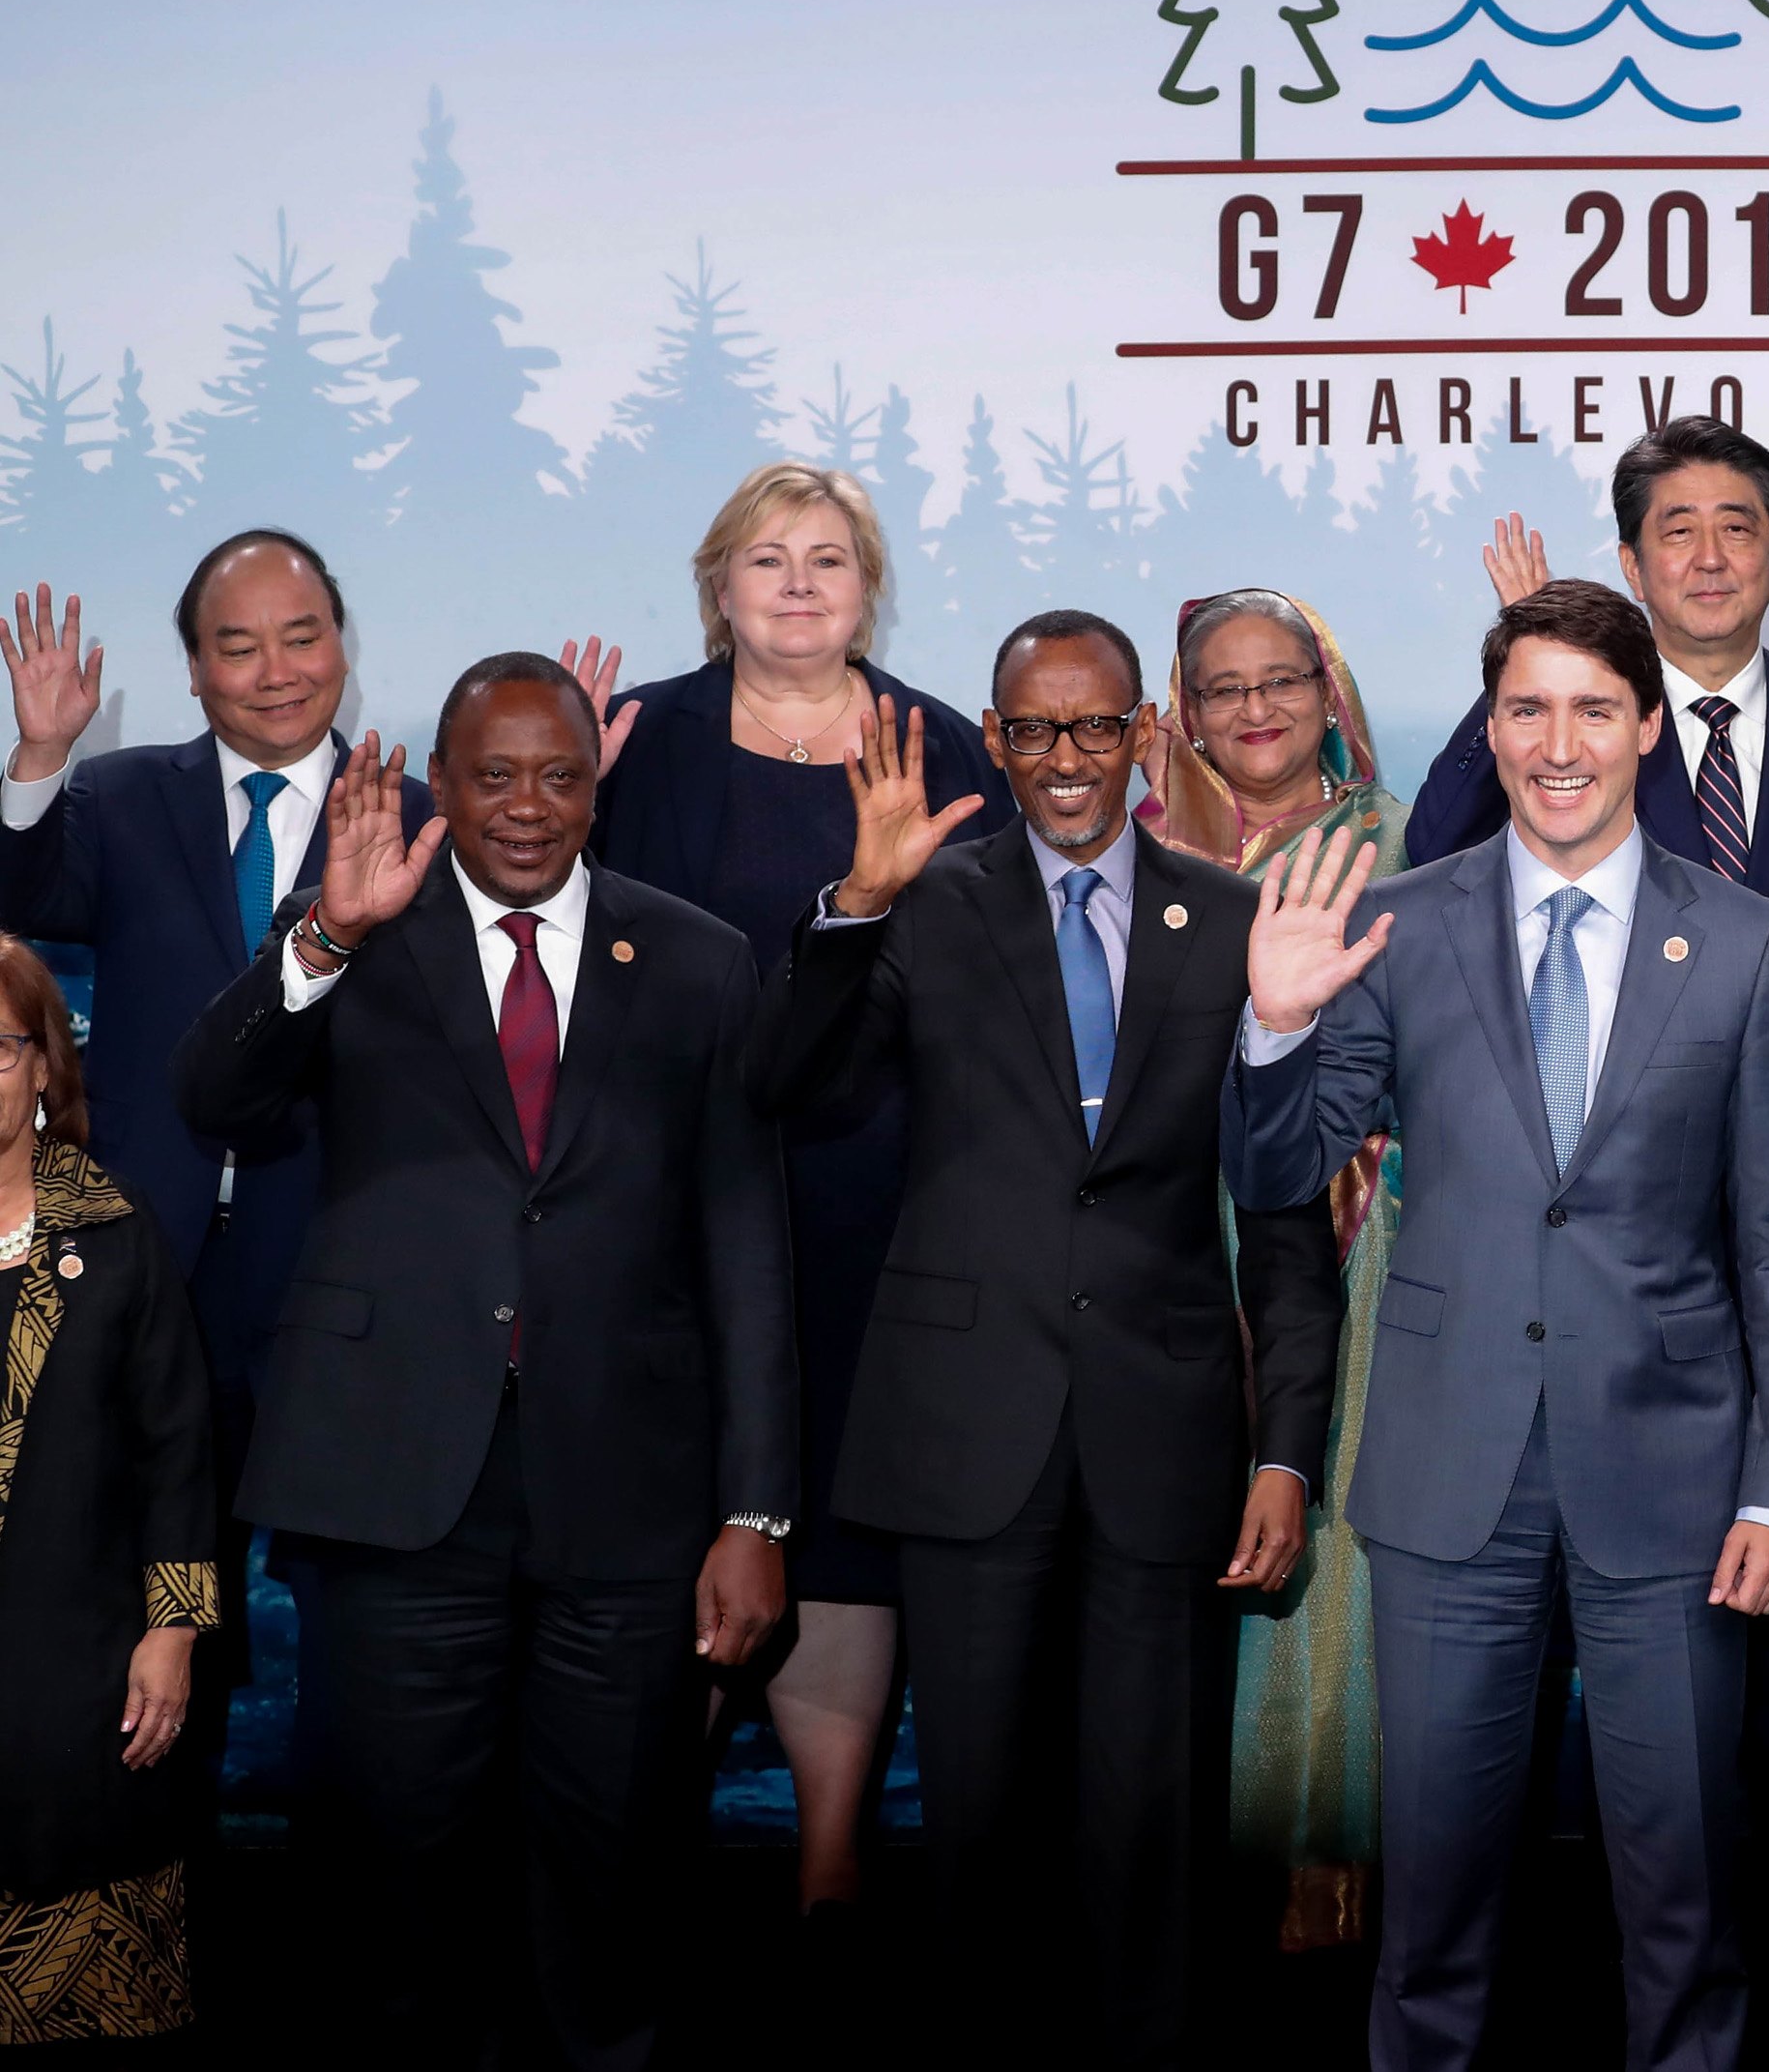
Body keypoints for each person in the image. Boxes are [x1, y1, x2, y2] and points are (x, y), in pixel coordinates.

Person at [1226, 579, 1769, 2072]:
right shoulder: (1396, 920)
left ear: (1645, 730)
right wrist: (1275, 1028)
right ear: (1489, 728)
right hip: (1445, 1480)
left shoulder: (1750, 942)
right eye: (1526, 708)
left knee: (1682, 1901)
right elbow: (1281, 1172)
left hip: (1680, 1487)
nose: (1558, 743)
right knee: (1431, 1910)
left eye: (1592, 708)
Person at [172, 654, 798, 2069]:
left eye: (561, 775)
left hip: (626, 1495)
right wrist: (326, 938)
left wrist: (756, 1511)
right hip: (394, 1480)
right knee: (388, 1872)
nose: (528, 806)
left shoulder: (697, 956)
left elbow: (744, 1241)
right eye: (495, 775)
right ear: (437, 784)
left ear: (598, 786)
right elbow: (213, 1093)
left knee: (615, 1872)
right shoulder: (356, 930)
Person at [746, 610, 1340, 2059]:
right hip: (967, 1425)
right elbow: (781, 1081)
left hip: (1165, 1425)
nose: (1062, 759)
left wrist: (1288, 1457)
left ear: (1146, 735)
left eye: (1092, 728)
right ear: (996, 738)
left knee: (1153, 1815)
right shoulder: (925, 904)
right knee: (981, 1816)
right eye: (1030, 729)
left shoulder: (1232, 917)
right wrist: (851, 905)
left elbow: (1279, 1216)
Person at [1398, 417, 1769, 2018]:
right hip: (1474, 1420)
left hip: (1714, 1361)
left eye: (1737, 523)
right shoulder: (1470, 852)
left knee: (1726, 1823)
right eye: (1533, 710)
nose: (1706, 550)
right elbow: (1432, 899)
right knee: (1445, 1888)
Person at [587, 462, 1012, 1941]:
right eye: (766, 558)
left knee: (845, 1503)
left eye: (829, 557)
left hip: (880, 1191)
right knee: (694, 1489)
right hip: (669, 1189)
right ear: (718, 584)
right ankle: (647, 1833)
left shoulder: (942, 744)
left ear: (869, 584)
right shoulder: (632, 741)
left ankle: (831, 1857)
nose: (798, 582)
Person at [0, 541, 429, 1812]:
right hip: (146, 1269)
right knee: (144, 1598)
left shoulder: (408, 814)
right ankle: (149, 1888)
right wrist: (37, 761)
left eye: (300, 636)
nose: (275, 670)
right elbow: (25, 895)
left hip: (337, 1269)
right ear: (192, 668)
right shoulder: (123, 796)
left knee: (354, 1615)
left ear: (343, 642)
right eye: (236, 645)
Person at [1137, 587, 1405, 1957]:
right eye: (1221, 686)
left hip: (1360, 1239)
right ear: (1182, 708)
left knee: (1341, 1523)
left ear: (1327, 686)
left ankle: (1334, 1862)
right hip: (1170, 1241)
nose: (1253, 709)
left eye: (1280, 679)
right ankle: (1198, 1873)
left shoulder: (1404, 849)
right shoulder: (1138, 855)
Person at [0, 934, 218, 2046]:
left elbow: (179, 1446)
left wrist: (172, 1628)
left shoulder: (117, 1232)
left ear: (45, 1064)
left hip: (80, 1654)